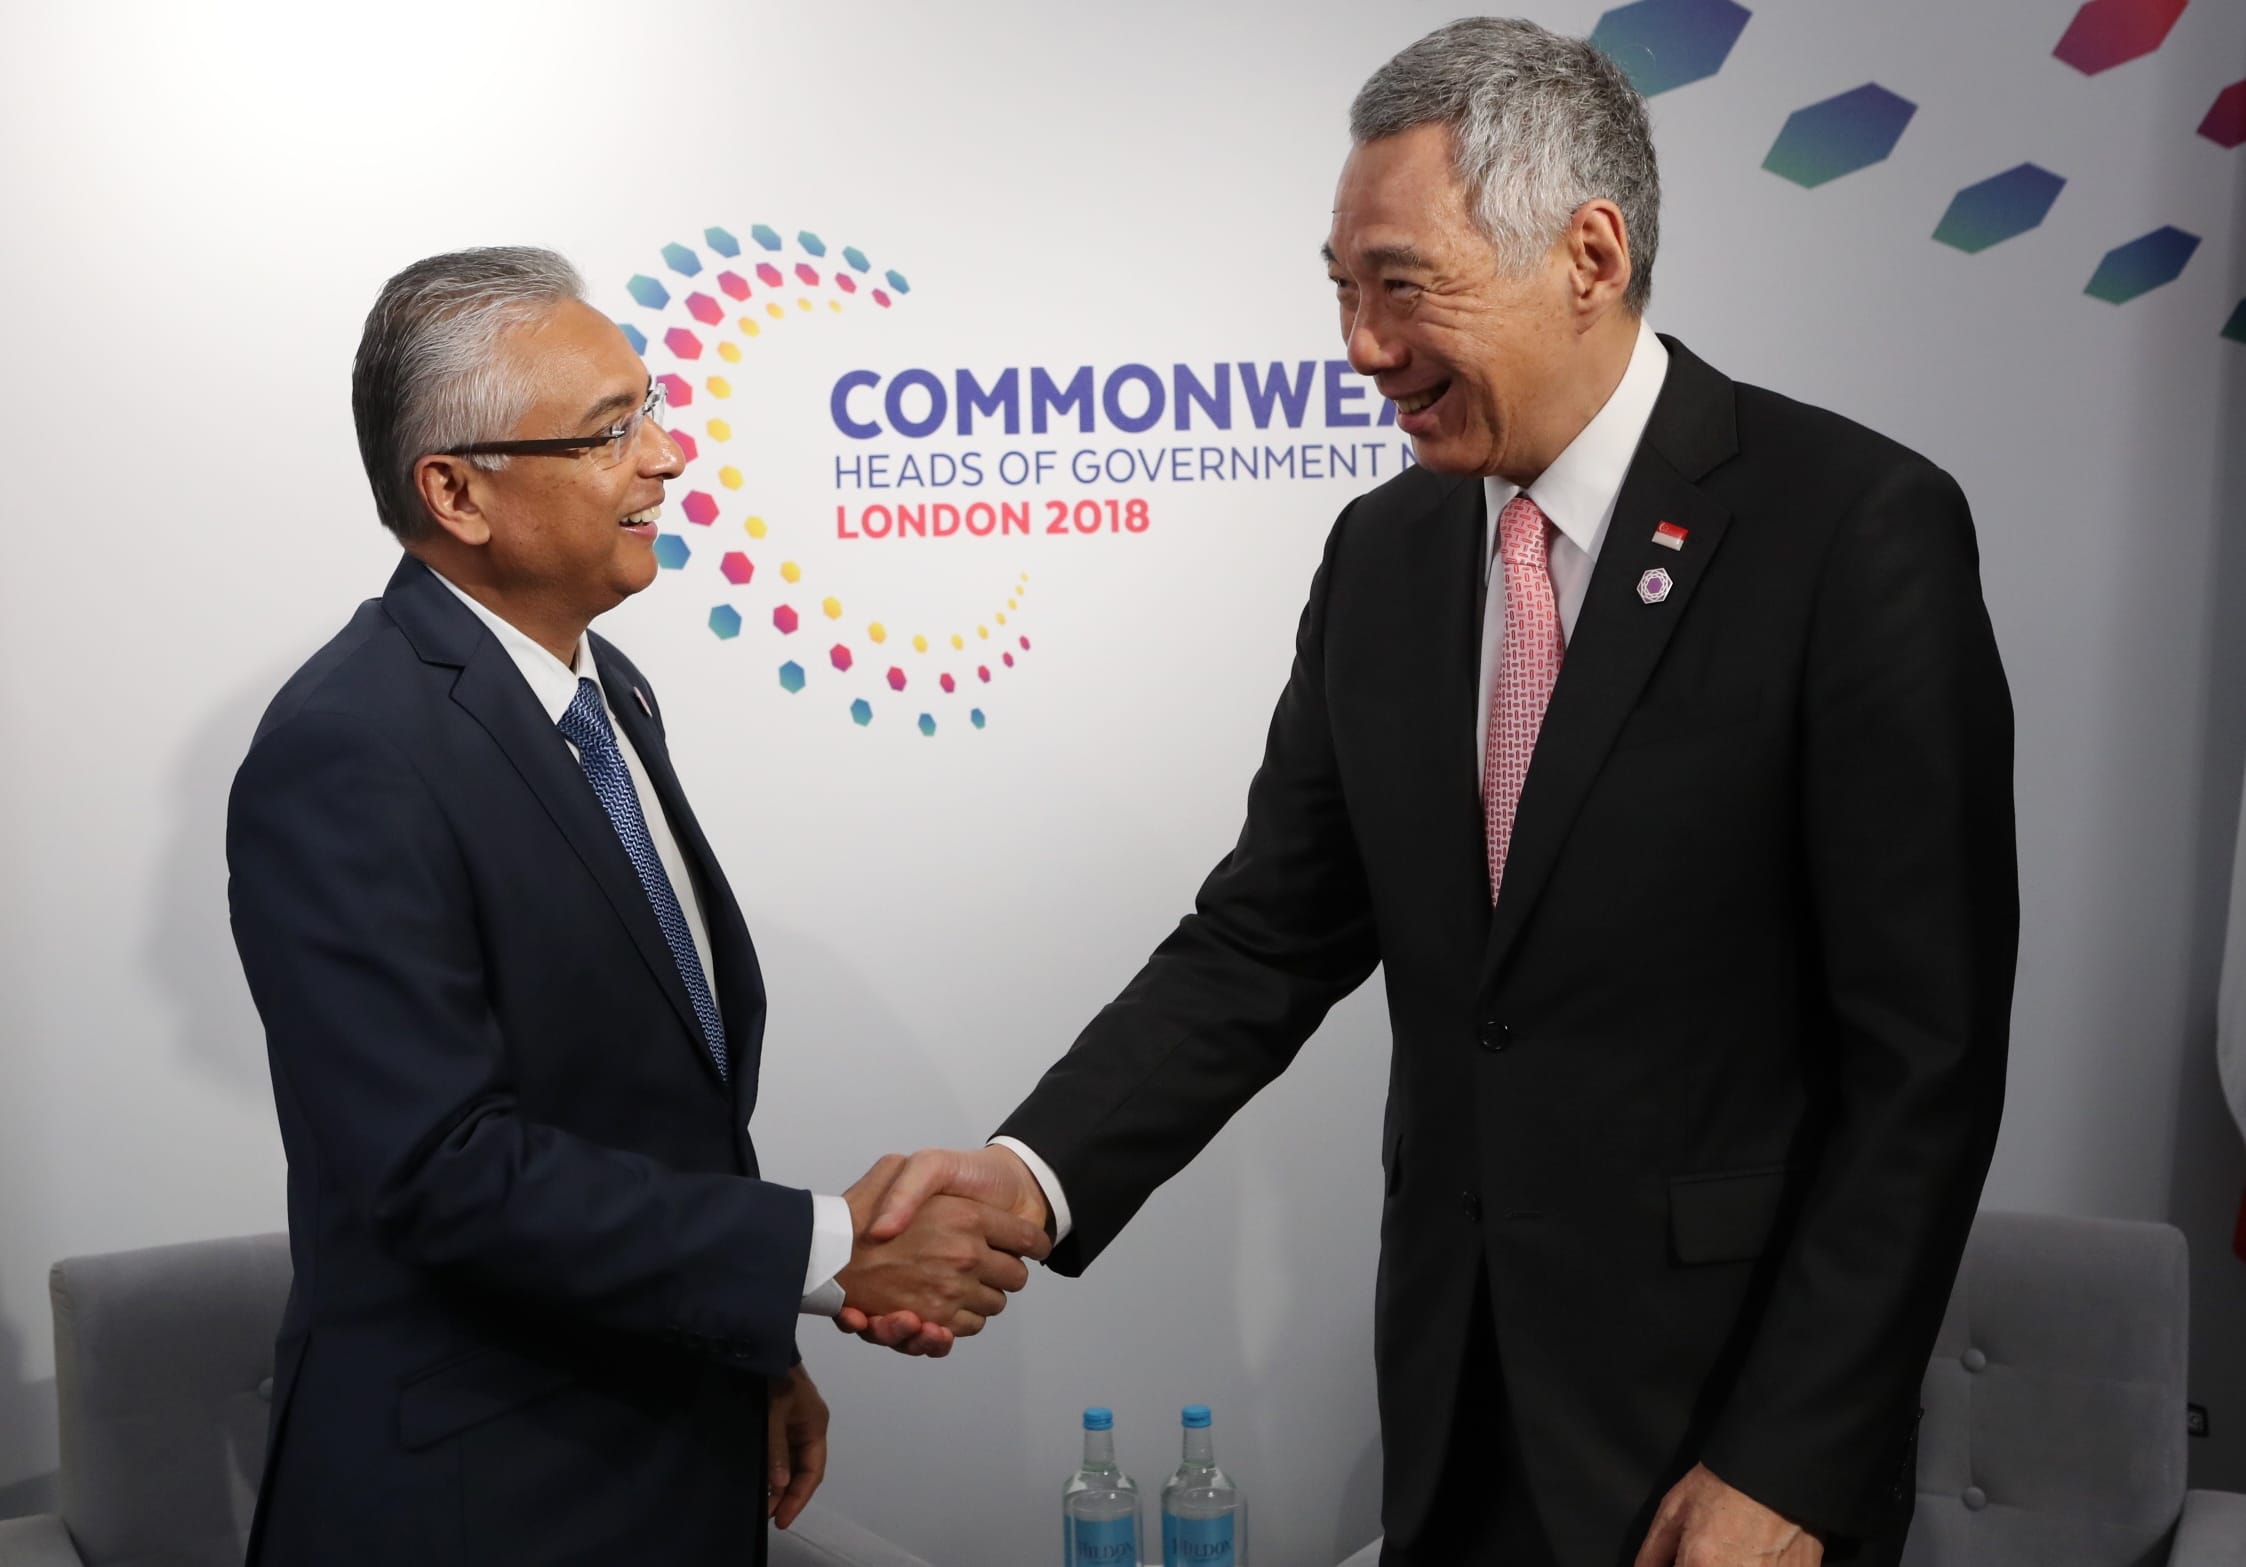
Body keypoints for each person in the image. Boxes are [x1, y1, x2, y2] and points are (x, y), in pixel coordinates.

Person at [851, 19, 2017, 1567]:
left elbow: (1921, 1066)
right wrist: (1027, 1176)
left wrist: (1790, 1461)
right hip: (1452, 1407)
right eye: (1339, 286)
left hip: (1720, 1431)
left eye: (1401, 284)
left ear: (1587, 255)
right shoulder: (1386, 555)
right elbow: (1266, 935)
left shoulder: (1851, 531)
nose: (1358, 347)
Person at [226, 247, 1043, 1566]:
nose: (664, 457)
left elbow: (648, 1114)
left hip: (664, 1440)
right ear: (456, 491)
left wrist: (744, 1345)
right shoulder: (349, 750)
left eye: (652, 410)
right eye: (611, 431)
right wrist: (824, 1252)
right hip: (480, 1502)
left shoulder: (609, 694)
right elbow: (445, 1173)